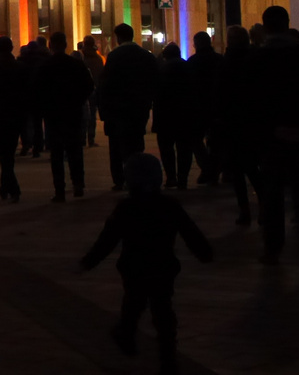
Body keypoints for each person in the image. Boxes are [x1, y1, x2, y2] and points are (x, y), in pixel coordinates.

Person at [79, 153, 214, 375]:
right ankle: (166, 359)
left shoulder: (126, 208)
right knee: (163, 315)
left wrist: (88, 262)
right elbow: (189, 231)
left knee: (135, 304)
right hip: (162, 267)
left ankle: (126, 334)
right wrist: (204, 252)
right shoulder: (168, 205)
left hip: (134, 267)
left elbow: (107, 240)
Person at [249, 5, 299, 272]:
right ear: (287, 24)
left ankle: (273, 250)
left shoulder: (259, 59)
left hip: (271, 141)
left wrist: (268, 131)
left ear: (266, 27)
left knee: (272, 199)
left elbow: (252, 103)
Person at [98, 22, 160, 190]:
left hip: (117, 110)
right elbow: (154, 81)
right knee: (136, 143)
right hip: (139, 108)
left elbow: (106, 84)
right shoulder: (146, 56)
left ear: (118, 38)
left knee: (116, 147)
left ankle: (120, 180)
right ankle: (137, 175)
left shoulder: (114, 56)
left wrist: (104, 110)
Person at [35, 31, 95, 202]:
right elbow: (89, 86)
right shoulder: (76, 65)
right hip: (73, 113)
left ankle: (59, 189)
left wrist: (45, 106)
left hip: (53, 115)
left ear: (50, 45)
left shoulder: (46, 66)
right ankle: (78, 184)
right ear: (66, 44)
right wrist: (78, 100)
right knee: (75, 151)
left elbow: (37, 90)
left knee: (56, 154)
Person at [214, 24, 259, 226]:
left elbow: (220, 95)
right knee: (253, 168)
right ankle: (265, 207)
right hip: (252, 122)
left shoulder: (227, 63)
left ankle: (245, 210)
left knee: (238, 171)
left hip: (231, 123)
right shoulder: (254, 60)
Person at [0, 36, 27, 203]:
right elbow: (24, 91)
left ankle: (9, 186)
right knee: (9, 151)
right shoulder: (19, 67)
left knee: (4, 153)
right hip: (15, 113)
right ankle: (8, 186)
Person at [152, 42, 197, 189]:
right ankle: (183, 178)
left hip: (166, 116)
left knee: (167, 149)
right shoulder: (189, 67)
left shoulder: (162, 70)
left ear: (165, 56)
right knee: (185, 148)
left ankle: (171, 177)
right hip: (186, 114)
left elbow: (157, 93)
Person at [185, 31, 222, 183]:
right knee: (217, 142)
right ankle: (213, 169)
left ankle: (208, 169)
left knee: (195, 140)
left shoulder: (192, 62)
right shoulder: (220, 60)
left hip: (198, 107)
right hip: (218, 106)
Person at [17, 37, 51, 158]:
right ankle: (40, 145)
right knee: (41, 122)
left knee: (28, 122)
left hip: (26, 96)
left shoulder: (22, 61)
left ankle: (28, 144)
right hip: (41, 95)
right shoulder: (44, 61)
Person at [80, 36, 104, 148]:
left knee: (82, 114)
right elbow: (101, 76)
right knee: (92, 114)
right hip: (94, 89)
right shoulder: (98, 59)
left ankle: (82, 138)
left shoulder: (81, 58)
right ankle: (91, 137)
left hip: (82, 90)